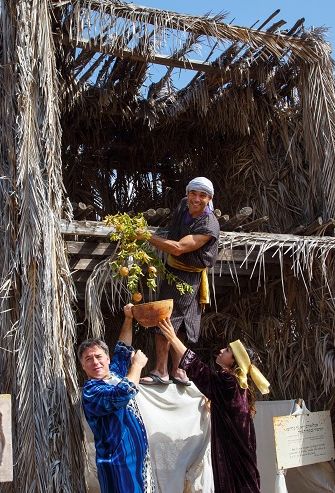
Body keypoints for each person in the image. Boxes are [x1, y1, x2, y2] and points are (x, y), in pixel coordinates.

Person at [157, 315, 270, 492]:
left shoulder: (229, 381)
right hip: (238, 456)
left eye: (227, 351)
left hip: (235, 459)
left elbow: (199, 369)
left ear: (233, 361)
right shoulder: (238, 385)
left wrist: (172, 337)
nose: (221, 351)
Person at [139, 176, 220, 386]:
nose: (196, 199)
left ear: (209, 199)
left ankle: (161, 371)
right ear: (187, 193)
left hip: (188, 275)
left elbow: (178, 248)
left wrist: (146, 235)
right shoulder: (184, 205)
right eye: (193, 193)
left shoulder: (208, 223)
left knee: (166, 318)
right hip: (174, 270)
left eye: (202, 196)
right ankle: (178, 371)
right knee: (179, 322)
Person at [78, 304, 153, 493]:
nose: (95, 362)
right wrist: (136, 366)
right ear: (83, 367)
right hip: (117, 465)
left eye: (98, 357)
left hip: (137, 461)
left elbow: (123, 349)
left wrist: (128, 318)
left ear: (107, 359)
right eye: (88, 359)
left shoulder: (114, 375)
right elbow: (123, 393)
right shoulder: (91, 391)